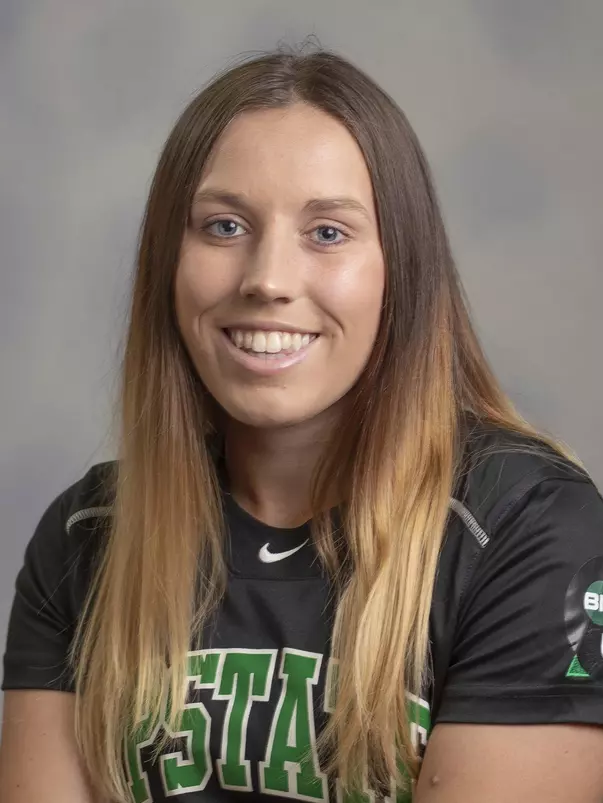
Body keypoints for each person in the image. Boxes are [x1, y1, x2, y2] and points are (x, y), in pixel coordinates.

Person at [1, 45, 603, 803]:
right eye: (224, 226)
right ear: (167, 261)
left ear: (401, 270)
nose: (267, 280)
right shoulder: (89, 536)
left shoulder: (531, 530)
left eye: (327, 233)